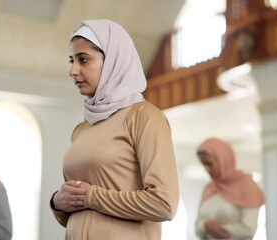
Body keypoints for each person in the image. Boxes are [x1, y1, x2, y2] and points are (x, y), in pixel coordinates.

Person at [50, 19, 180, 240]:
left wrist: (92, 197)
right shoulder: (82, 129)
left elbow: (164, 203)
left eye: (83, 60)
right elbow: (78, 209)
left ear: (113, 62)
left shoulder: (143, 116)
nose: (72, 70)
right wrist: (58, 202)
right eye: (72, 60)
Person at [195, 138, 264, 240]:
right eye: (203, 164)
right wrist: (205, 226)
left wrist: (217, 229)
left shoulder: (247, 186)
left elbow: (248, 230)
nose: (206, 169)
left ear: (223, 160)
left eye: (209, 163)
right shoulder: (209, 188)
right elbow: (197, 225)